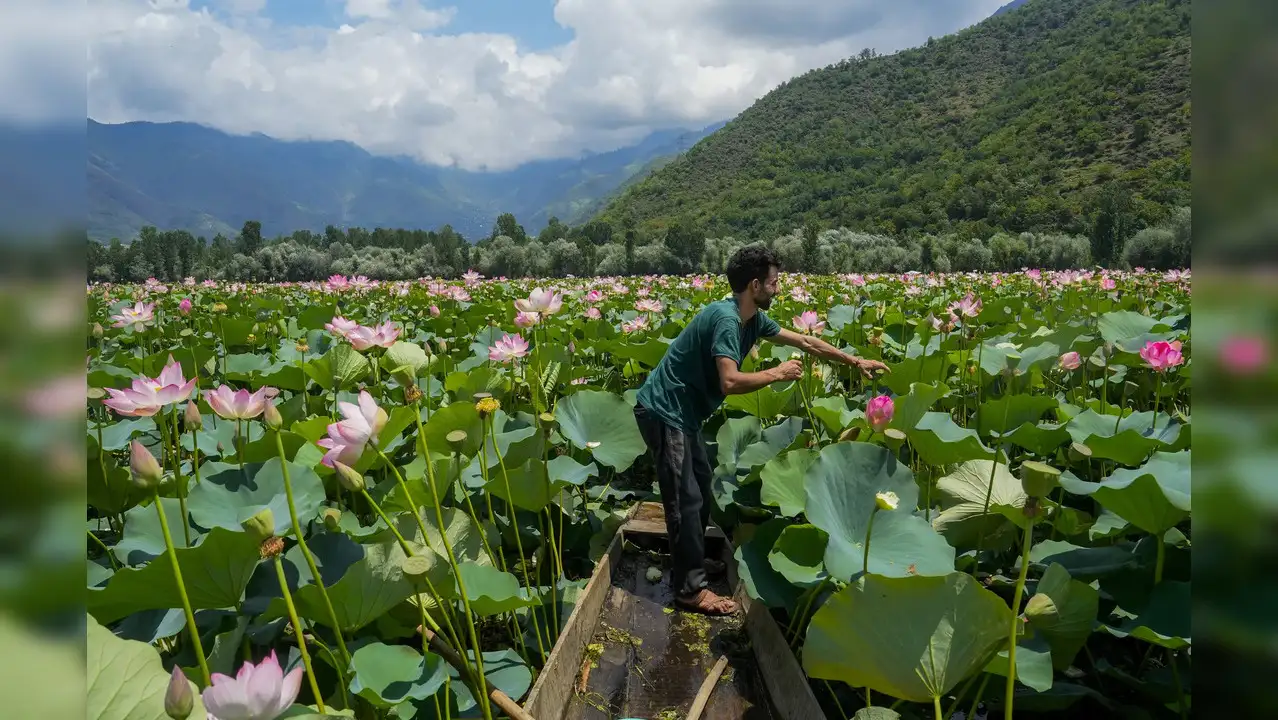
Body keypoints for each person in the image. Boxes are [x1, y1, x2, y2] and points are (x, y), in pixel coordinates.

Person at [632, 245, 890, 615]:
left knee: (701, 492)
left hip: (684, 414)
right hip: (663, 411)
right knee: (684, 501)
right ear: (755, 285)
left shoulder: (751, 318)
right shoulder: (726, 320)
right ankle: (690, 591)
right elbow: (730, 382)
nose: (778, 289)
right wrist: (778, 374)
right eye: (773, 282)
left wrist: (854, 360)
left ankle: (692, 562)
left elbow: (805, 340)